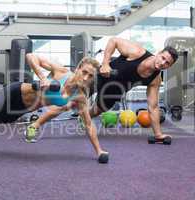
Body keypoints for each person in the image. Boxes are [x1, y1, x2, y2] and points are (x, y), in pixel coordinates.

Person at [0, 53, 109, 166]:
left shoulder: (80, 97)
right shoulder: (60, 71)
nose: (85, 78)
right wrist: (41, 77)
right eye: (84, 72)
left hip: (23, 108)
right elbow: (31, 56)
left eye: (90, 76)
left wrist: (99, 150)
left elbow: (88, 125)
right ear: (78, 69)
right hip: (13, 93)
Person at [32, 37, 178, 142]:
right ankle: (35, 125)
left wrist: (158, 134)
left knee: (95, 111)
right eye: (163, 58)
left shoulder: (155, 79)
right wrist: (105, 63)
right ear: (159, 53)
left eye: (167, 63)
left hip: (115, 91)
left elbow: (152, 107)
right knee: (68, 102)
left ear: (169, 66)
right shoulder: (137, 52)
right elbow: (113, 40)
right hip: (101, 76)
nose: (163, 63)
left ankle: (83, 117)